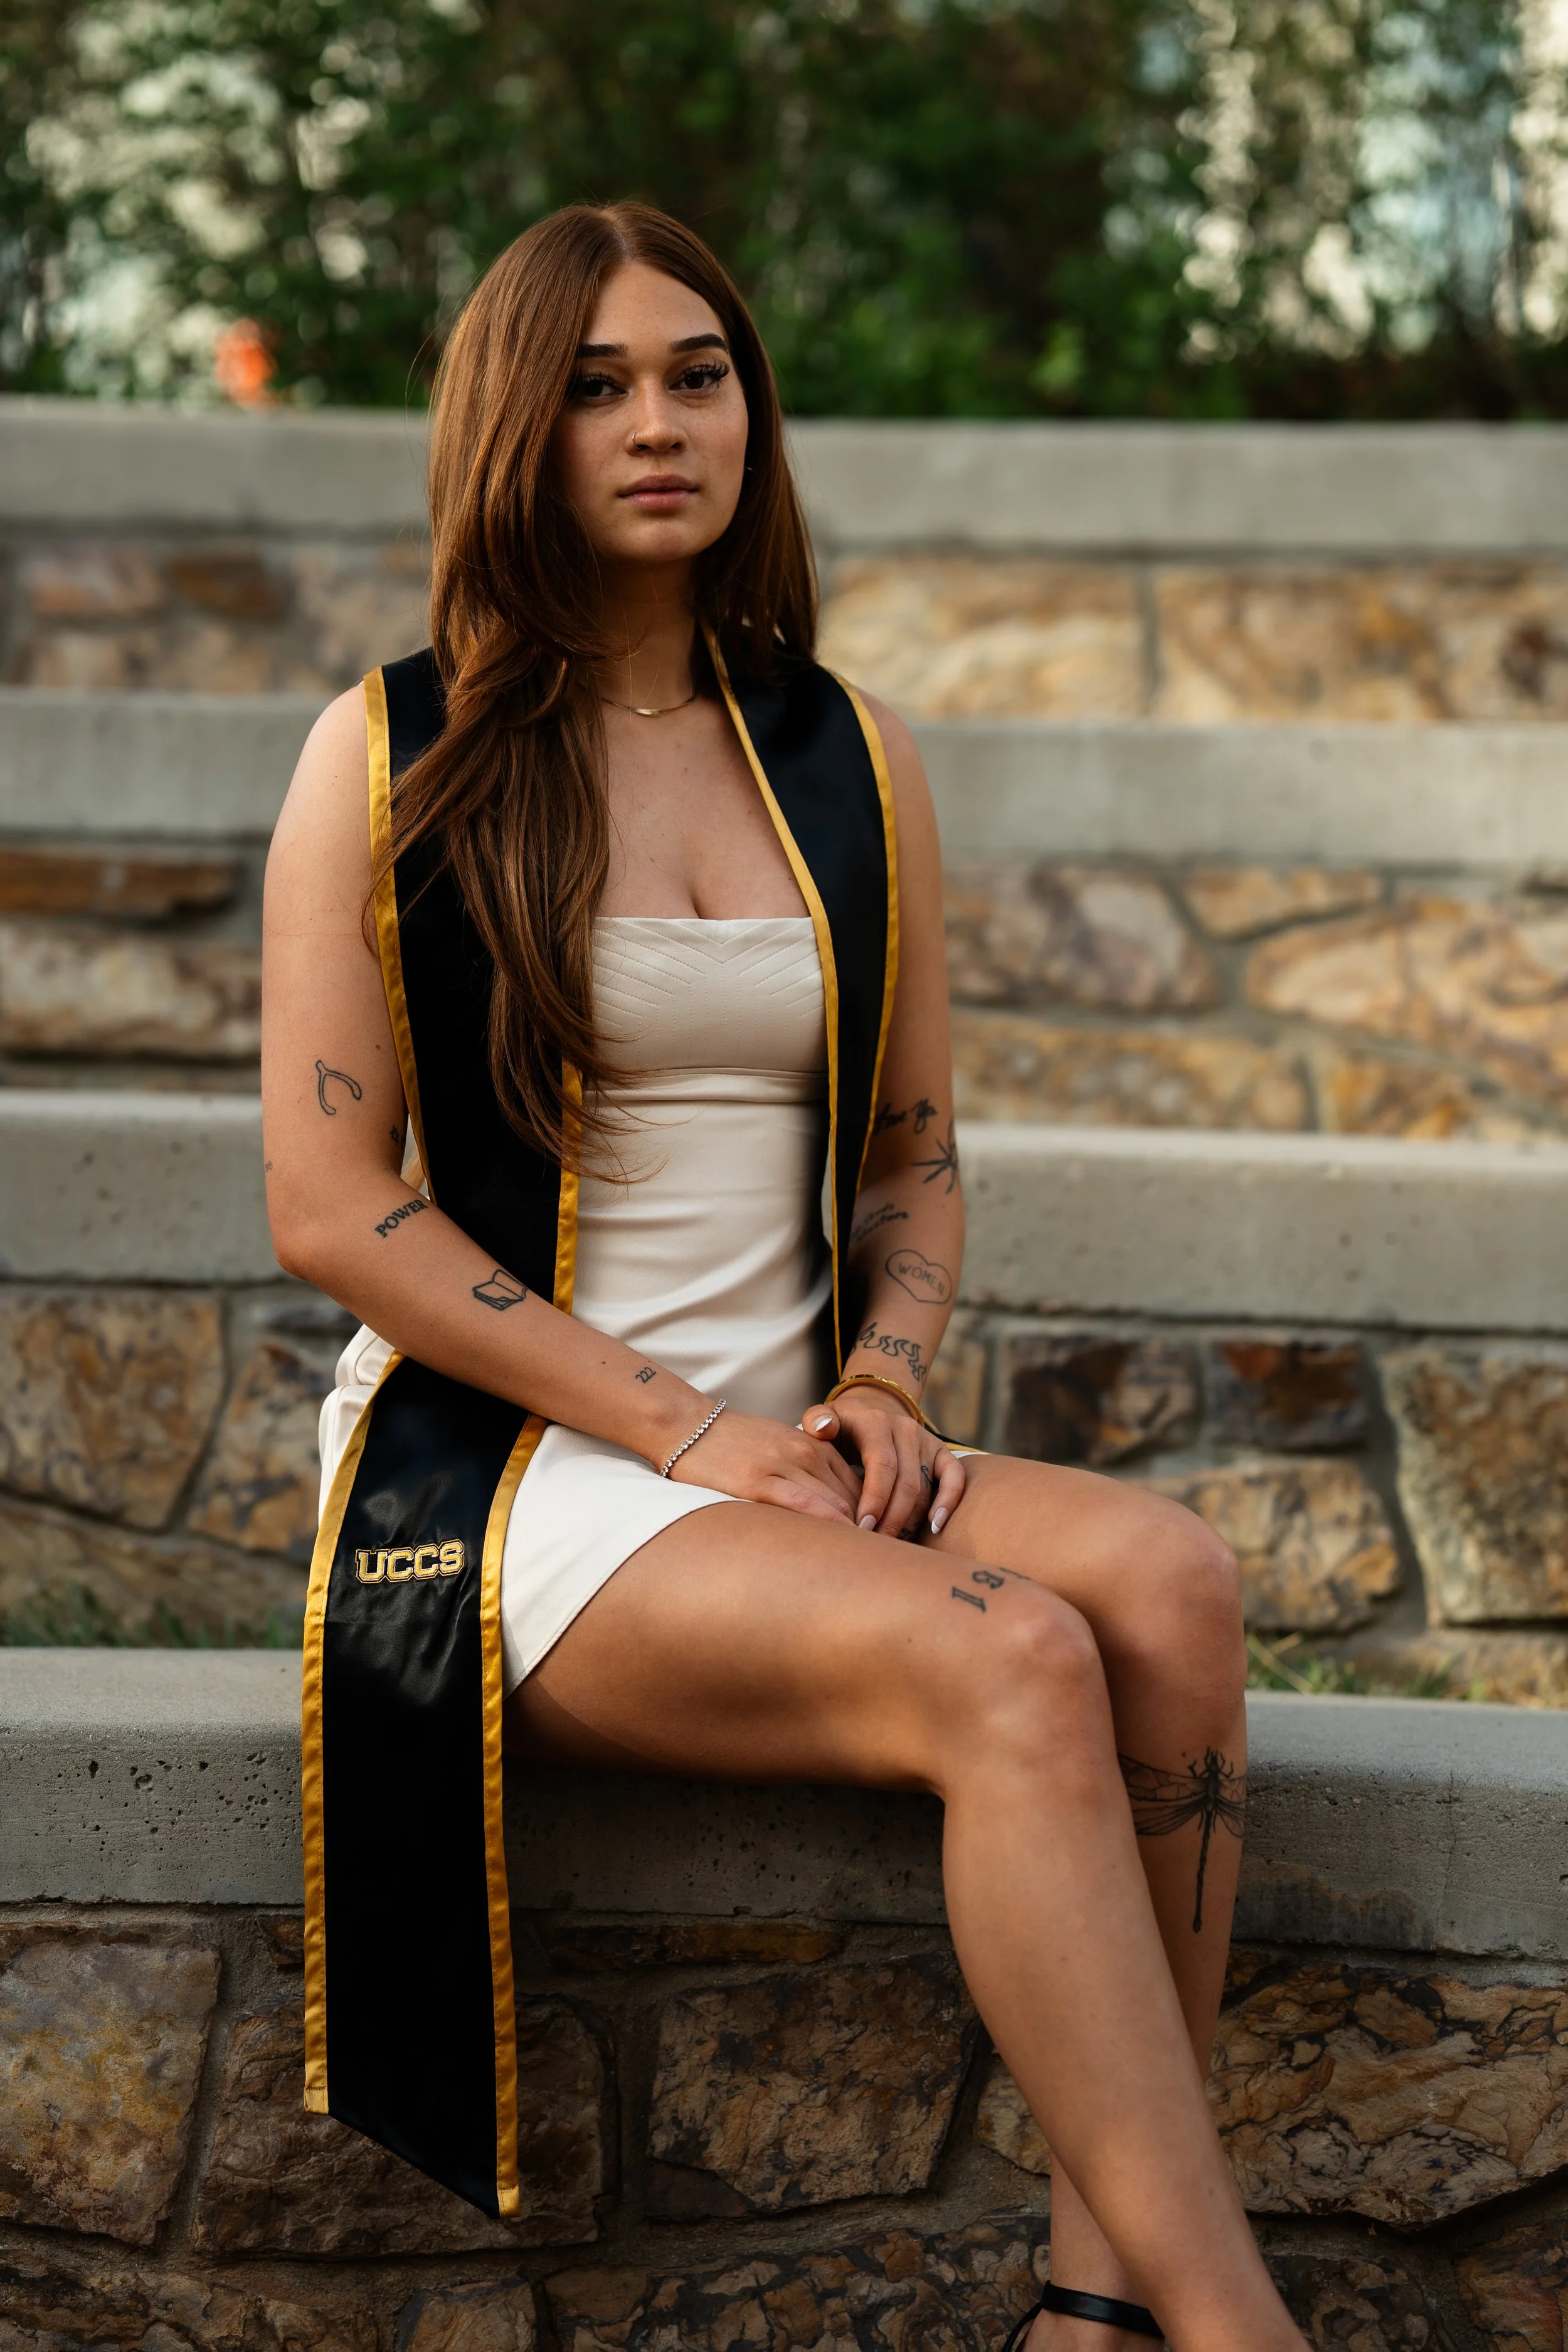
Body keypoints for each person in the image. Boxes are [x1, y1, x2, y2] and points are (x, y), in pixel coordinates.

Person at [262, 201, 1308, 2352]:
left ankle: (1098, 2314)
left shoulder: (844, 755)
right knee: (1015, 1657)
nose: (658, 423)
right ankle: (1239, 2335)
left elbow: (912, 1157)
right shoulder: (390, 754)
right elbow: (332, 1205)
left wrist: (888, 1381)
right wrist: (686, 1434)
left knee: (1174, 1587)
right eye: (595, 387)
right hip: (518, 1478)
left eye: (698, 373)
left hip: (789, 1447)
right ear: (514, 430)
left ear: (751, 409)